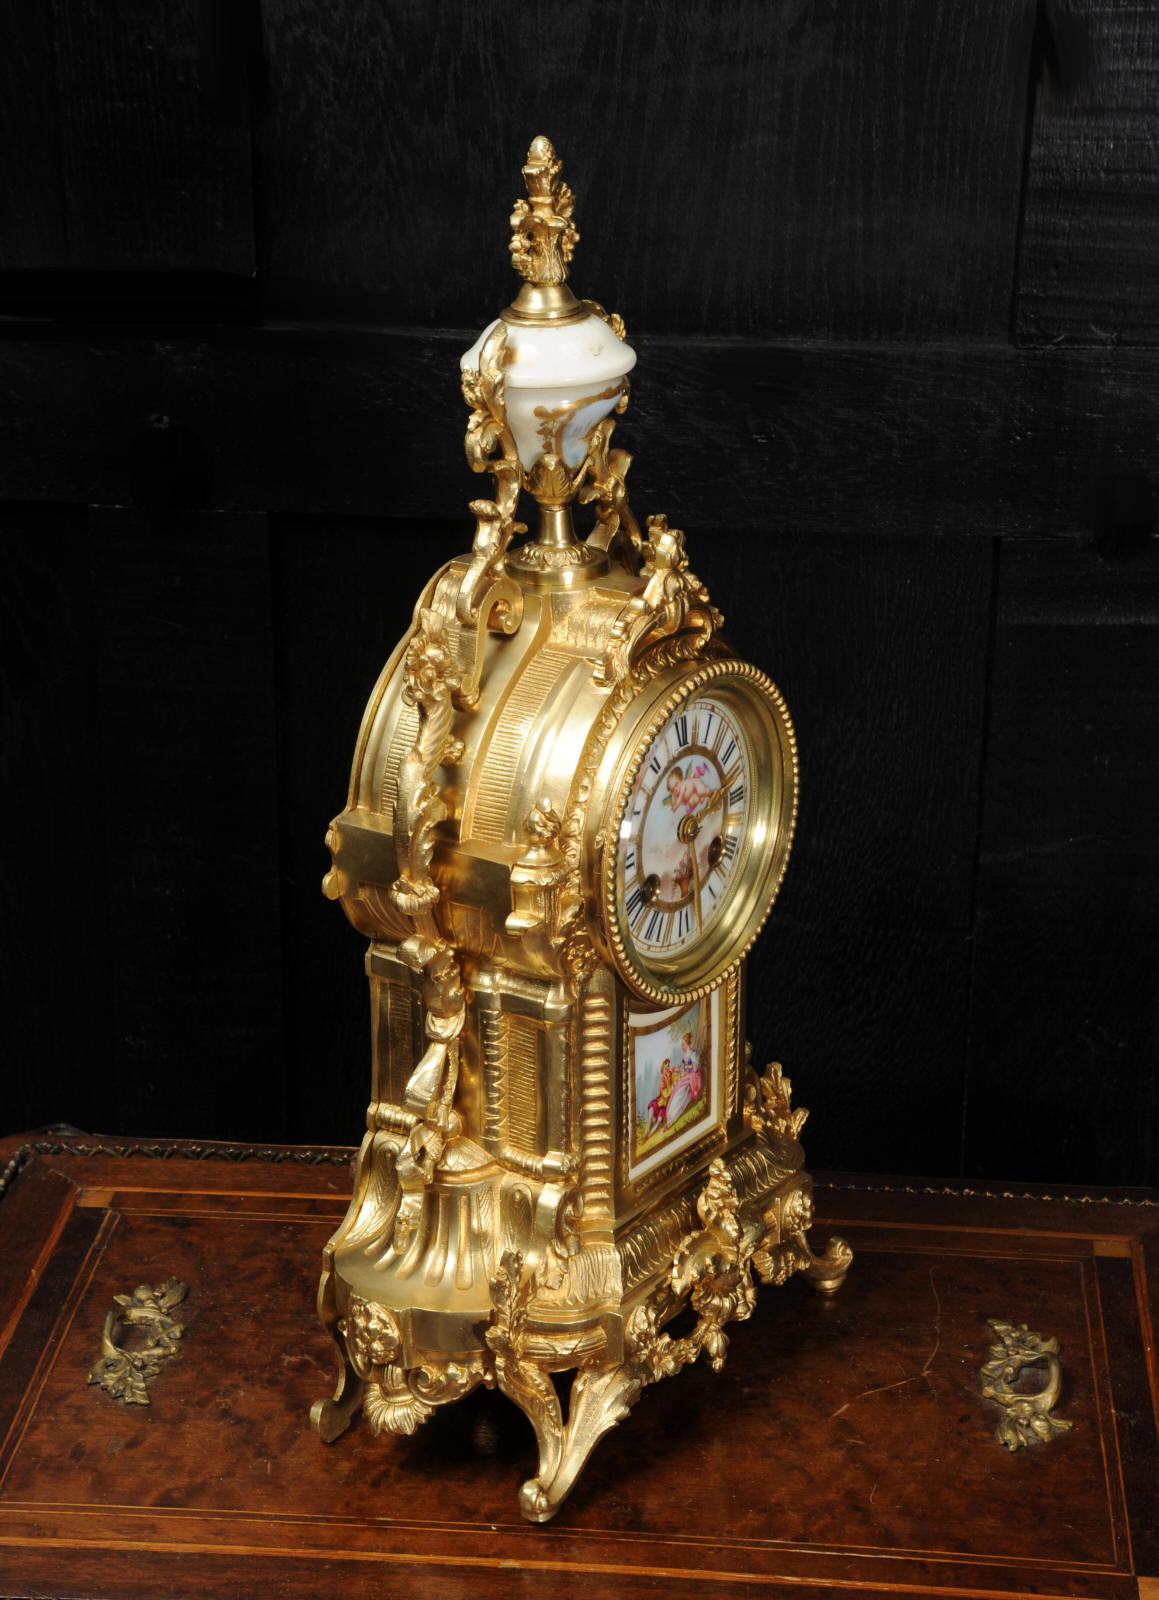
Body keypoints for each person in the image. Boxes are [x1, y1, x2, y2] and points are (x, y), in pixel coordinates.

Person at [663, 1032, 704, 1129]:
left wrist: (684, 1069)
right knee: (675, 1093)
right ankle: (669, 1119)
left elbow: (695, 1067)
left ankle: (671, 1120)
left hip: (693, 1077)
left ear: (688, 1044)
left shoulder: (693, 1054)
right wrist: (676, 1069)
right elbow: (683, 1068)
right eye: (682, 1045)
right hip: (686, 1077)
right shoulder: (685, 1055)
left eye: (683, 1044)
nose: (682, 1047)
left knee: (680, 1094)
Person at [646, 1059, 675, 1135]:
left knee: (659, 1120)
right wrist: (672, 1088)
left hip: (666, 1105)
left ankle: (650, 1134)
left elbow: (674, 1073)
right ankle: (648, 1130)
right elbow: (664, 1094)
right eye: (666, 1067)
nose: (668, 1068)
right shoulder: (663, 1079)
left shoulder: (670, 1074)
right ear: (663, 1069)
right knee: (652, 1108)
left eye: (668, 1066)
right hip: (661, 1101)